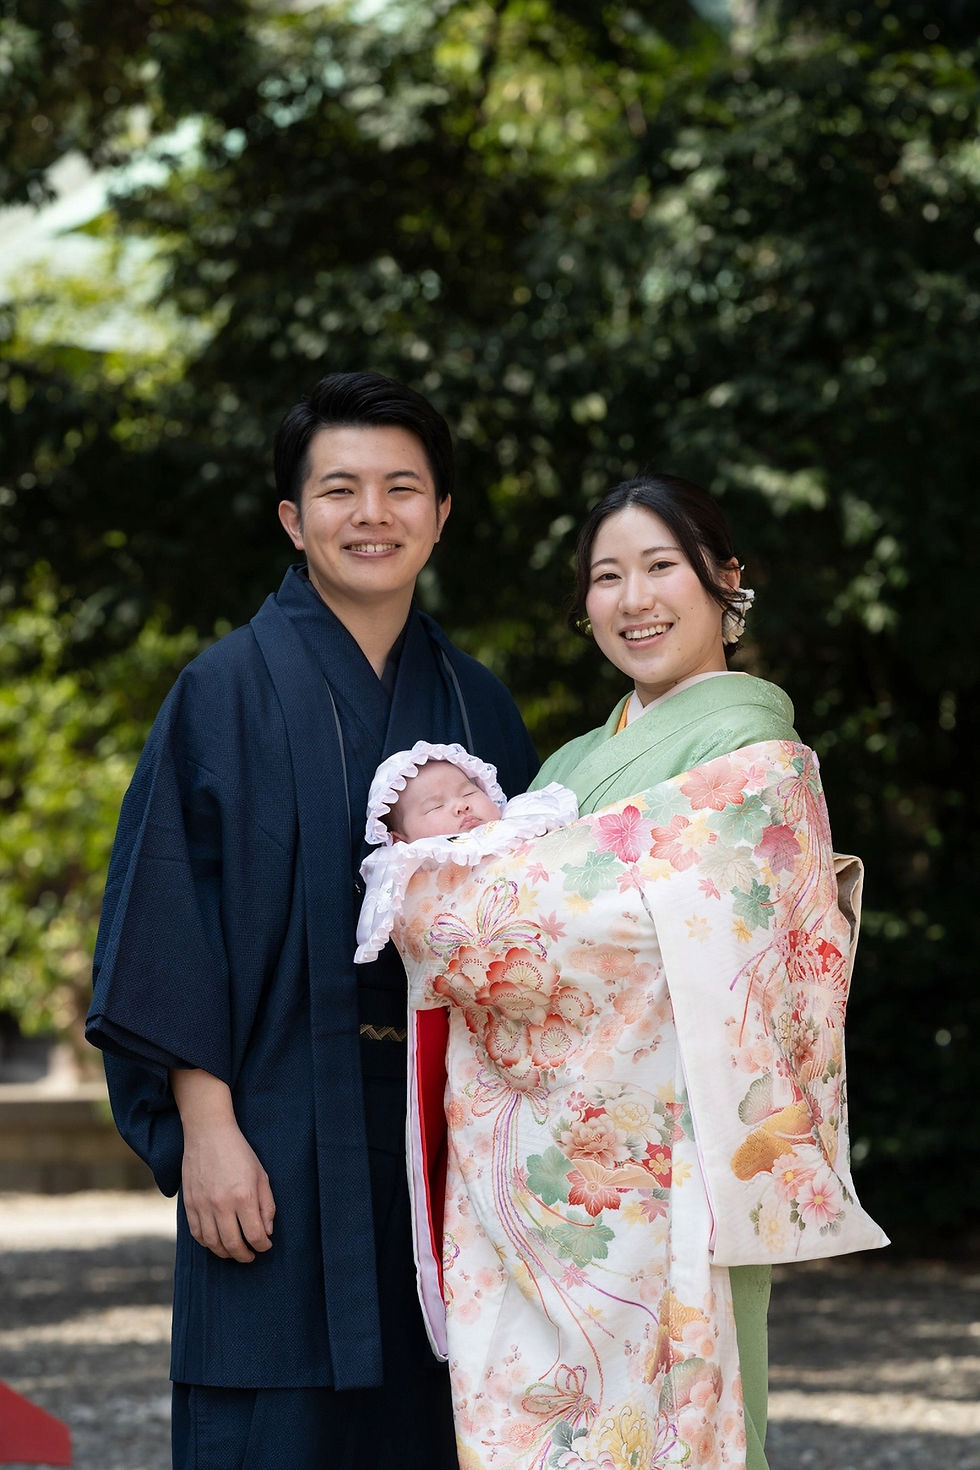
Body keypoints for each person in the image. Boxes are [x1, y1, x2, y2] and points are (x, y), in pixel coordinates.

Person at [382, 474, 887, 1470]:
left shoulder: (760, 755)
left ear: (723, 582)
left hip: (676, 1156)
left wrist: (462, 908)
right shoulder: (567, 768)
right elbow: (509, 921)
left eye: (661, 567)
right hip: (547, 1179)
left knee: (685, 1420)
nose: (633, 599)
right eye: (606, 577)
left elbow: (567, 922)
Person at [85, 371, 539, 1470]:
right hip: (274, 1129)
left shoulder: (477, 704)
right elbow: (165, 923)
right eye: (340, 489)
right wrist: (206, 1131)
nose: (371, 514)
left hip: (448, 1150)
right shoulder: (222, 690)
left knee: (441, 1427)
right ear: (294, 519)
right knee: (265, 1428)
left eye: (401, 488)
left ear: (440, 514)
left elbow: (539, 932)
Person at [353, 740, 579, 965]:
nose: (461, 805)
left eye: (469, 793)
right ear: (400, 840)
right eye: (435, 806)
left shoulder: (519, 820)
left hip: (561, 922)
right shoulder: (406, 860)